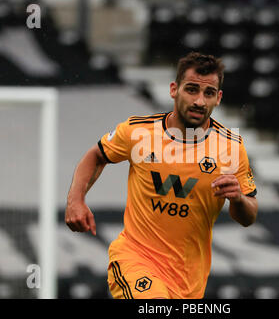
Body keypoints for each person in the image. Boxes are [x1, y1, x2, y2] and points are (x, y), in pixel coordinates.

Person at [65, 52, 258, 299]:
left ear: (218, 98)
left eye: (208, 93)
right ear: (173, 90)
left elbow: (248, 215)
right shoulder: (139, 132)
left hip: (188, 281)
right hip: (135, 259)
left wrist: (238, 199)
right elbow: (96, 155)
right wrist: (76, 200)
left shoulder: (231, 147)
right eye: (191, 90)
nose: (199, 101)